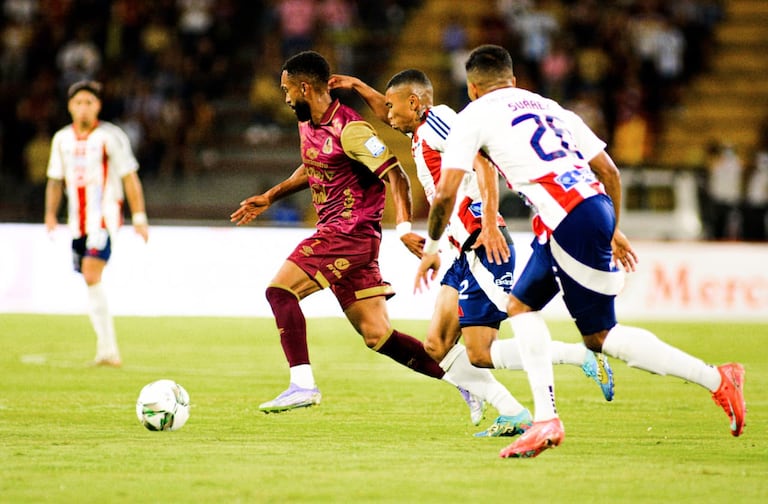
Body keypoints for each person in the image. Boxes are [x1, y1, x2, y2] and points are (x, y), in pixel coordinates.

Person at [416, 44, 746, 458]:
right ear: (513, 80)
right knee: (528, 309)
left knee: (597, 334)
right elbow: (608, 170)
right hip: (589, 208)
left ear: (472, 88)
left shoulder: (474, 115)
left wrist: (431, 246)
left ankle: (716, 379)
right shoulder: (551, 107)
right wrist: (611, 226)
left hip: (567, 217)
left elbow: (445, 193)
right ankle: (547, 419)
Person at [329, 69, 615, 438]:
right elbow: (390, 113)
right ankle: (513, 412)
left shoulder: (440, 121)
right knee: (437, 345)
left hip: (482, 241)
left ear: (415, 103)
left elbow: (482, 162)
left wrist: (491, 225)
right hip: (459, 250)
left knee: (483, 349)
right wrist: (356, 85)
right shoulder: (420, 130)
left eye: (391, 105)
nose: (386, 114)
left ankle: (581, 357)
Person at [231, 50, 497, 423]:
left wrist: (403, 227)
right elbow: (314, 165)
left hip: (349, 232)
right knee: (378, 336)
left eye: (287, 89)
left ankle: (302, 383)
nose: (286, 97)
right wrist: (270, 196)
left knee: (280, 291)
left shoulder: (352, 130)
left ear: (305, 88)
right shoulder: (308, 125)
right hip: (340, 234)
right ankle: (469, 385)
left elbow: (395, 175)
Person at [44, 80, 149, 367]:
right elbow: (55, 180)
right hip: (76, 223)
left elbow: (129, 177)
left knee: (91, 274)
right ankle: (106, 350)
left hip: (103, 219)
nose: (83, 107)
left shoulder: (110, 137)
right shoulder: (61, 139)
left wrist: (139, 217)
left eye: (89, 102)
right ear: (69, 107)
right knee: (90, 281)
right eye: (78, 102)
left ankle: (108, 350)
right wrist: (50, 214)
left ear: (98, 106)